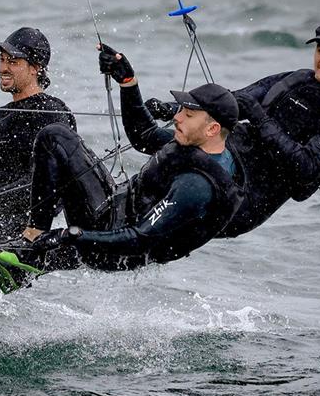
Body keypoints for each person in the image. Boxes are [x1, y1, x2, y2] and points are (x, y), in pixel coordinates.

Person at [21, 44, 244, 271]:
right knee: (60, 143)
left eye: (188, 114)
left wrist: (69, 235)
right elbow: (144, 135)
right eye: (180, 110)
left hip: (113, 244)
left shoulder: (196, 186)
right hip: (113, 209)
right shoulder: (196, 142)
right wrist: (128, 82)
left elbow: (140, 238)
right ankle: (39, 254)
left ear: (212, 129)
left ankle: (30, 249)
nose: (177, 118)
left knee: (55, 137)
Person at [147, 17, 320, 237]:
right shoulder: (296, 79)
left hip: (247, 197)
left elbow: (308, 168)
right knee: (152, 138)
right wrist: (171, 108)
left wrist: (260, 118)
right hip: (226, 154)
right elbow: (230, 103)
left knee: (177, 183)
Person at [0, 27, 77, 240]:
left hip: (22, 232)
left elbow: (49, 182)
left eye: (13, 62)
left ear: (36, 68)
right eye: (2, 60)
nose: (4, 68)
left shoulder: (52, 113)